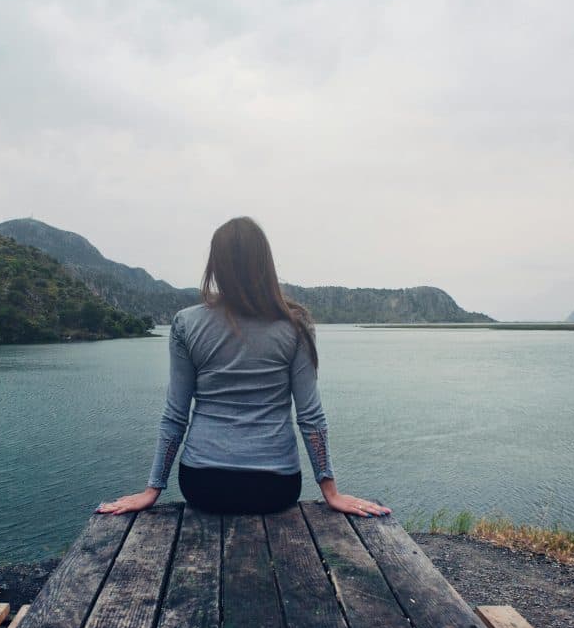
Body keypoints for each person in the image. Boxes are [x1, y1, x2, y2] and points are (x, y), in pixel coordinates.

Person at [96, 217, 391, 518]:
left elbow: (175, 414)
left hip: (202, 484)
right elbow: (310, 415)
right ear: (265, 263)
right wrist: (331, 491)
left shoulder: (186, 323)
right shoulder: (295, 326)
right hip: (276, 488)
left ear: (216, 265)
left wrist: (152, 489)